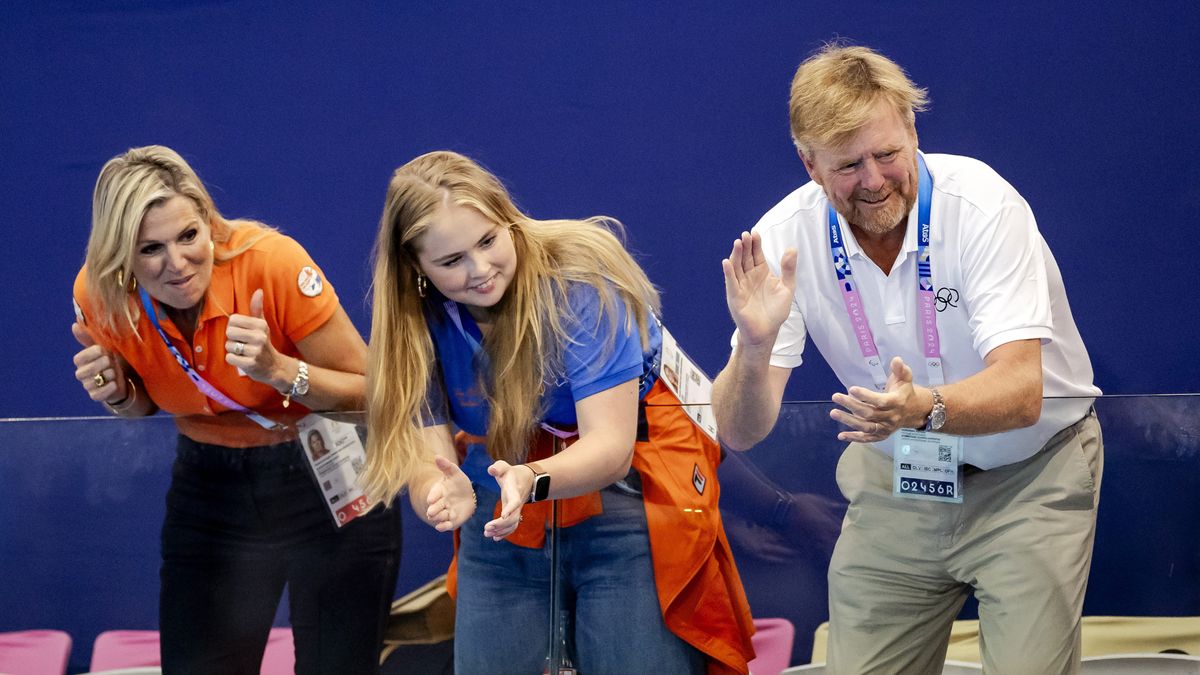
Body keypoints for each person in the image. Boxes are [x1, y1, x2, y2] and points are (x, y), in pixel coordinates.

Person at [712, 44, 1103, 674]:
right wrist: (755, 347)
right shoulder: (784, 237)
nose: (872, 179)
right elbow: (738, 429)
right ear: (808, 163)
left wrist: (923, 409)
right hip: (899, 481)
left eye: (887, 154)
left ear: (913, 131)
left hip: (1029, 476)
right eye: (847, 165)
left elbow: (1023, 387)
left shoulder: (981, 207)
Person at [361, 151, 755, 674]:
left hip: (627, 492)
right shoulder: (413, 319)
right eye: (451, 262)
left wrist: (528, 479)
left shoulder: (581, 283)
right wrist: (439, 492)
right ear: (416, 268)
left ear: (509, 220)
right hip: (501, 502)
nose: (479, 271)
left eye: (487, 241)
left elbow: (610, 450)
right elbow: (428, 447)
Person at [70, 145, 400, 674]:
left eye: (188, 236)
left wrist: (278, 370)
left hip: (325, 472)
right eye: (149, 248)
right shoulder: (101, 294)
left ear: (208, 220)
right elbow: (143, 406)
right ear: (119, 256)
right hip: (210, 487)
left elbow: (376, 394)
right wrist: (119, 395)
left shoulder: (272, 263)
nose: (176, 264)